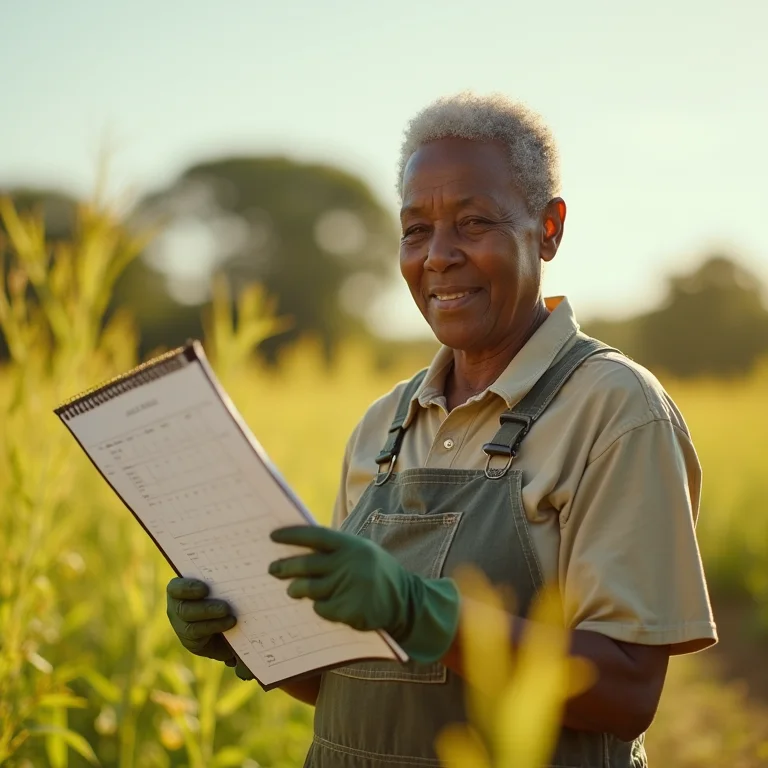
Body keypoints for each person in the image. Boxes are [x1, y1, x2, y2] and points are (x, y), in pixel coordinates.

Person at [165, 92, 717, 767]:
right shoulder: (383, 424)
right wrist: (249, 635)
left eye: (474, 221)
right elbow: (357, 681)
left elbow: (629, 688)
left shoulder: (615, 410)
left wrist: (418, 609)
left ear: (549, 229)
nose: (438, 256)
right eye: (415, 229)